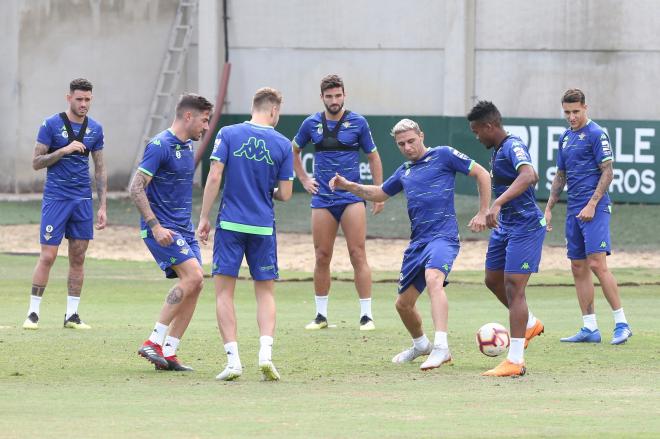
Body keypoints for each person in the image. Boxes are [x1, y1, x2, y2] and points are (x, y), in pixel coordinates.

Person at [330, 118, 491, 371]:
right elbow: (380, 193)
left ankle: (441, 347)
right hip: (418, 242)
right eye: (401, 144)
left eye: (411, 141)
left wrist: (484, 212)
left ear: (422, 136)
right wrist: (349, 186)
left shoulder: (444, 155)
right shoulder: (404, 171)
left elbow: (482, 173)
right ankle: (421, 345)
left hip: (444, 237)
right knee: (403, 305)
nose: (407, 147)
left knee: (434, 278)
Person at [197, 87, 294, 381]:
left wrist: (203, 216)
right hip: (263, 226)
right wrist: (268, 191)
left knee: (224, 292)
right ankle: (265, 354)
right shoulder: (283, 144)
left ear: (255, 106)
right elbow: (286, 194)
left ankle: (233, 361)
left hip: (231, 225)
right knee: (265, 292)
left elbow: (214, 176)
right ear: (274, 110)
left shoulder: (228, 133)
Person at [292, 74, 384, 331]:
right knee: (322, 255)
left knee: (358, 253)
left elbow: (374, 158)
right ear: (322, 97)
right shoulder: (311, 123)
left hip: (352, 197)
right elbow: (293, 150)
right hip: (322, 199)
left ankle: (367, 315)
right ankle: (321, 316)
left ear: (344, 95)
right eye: (329, 96)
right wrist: (303, 178)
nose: (334, 100)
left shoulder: (358, 122)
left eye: (338, 95)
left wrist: (377, 193)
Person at [130, 93, 213, 371]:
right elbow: (136, 187)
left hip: (184, 229)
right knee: (194, 276)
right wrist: (155, 226)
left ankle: (168, 352)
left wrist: (198, 223)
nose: (206, 126)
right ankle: (153, 341)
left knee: (197, 284)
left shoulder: (188, 146)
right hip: (162, 228)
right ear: (188, 116)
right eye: (204, 119)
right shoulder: (160, 145)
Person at [545, 89, 632, 345]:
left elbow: (608, 172)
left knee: (597, 264)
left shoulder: (596, 133)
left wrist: (593, 204)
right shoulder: (565, 138)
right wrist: (549, 207)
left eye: (575, 111)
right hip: (574, 211)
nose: (571, 117)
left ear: (585, 108)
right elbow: (560, 175)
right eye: (567, 112)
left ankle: (622, 324)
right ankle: (590, 328)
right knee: (577, 266)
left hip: (595, 208)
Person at [467, 101, 547, 377]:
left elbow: (530, 175)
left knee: (514, 287)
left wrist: (497, 204)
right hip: (505, 227)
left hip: (525, 226)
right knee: (492, 279)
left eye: (477, 131)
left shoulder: (513, 145)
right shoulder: (498, 150)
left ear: (490, 126)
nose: (477, 137)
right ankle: (531, 323)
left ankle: (515, 361)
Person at [23, 78, 107, 331]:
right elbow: (36, 162)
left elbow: (100, 169)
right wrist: (64, 150)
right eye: (79, 99)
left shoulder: (96, 129)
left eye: (88, 99)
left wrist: (102, 205)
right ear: (68, 97)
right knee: (48, 256)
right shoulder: (51, 124)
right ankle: (33, 313)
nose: (84, 104)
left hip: (82, 200)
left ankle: (72, 316)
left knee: (78, 258)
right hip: (56, 198)